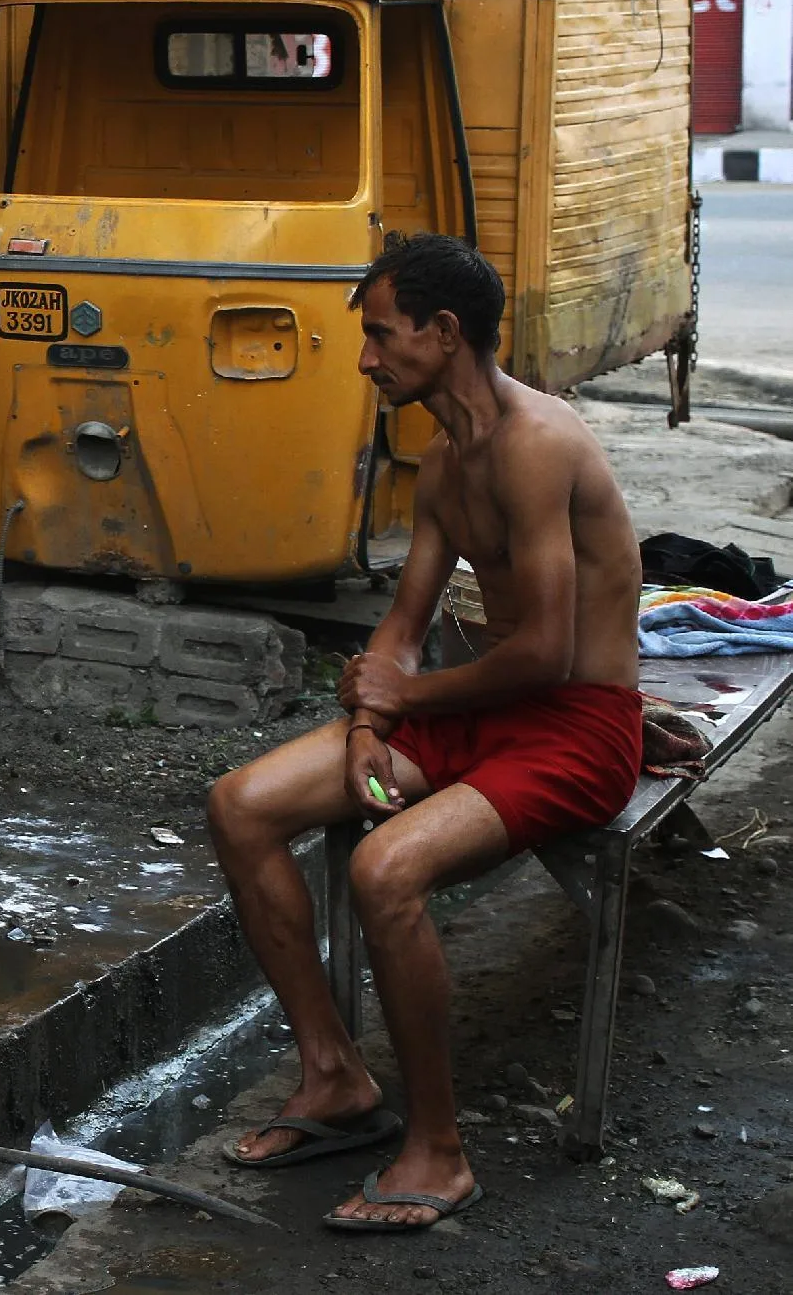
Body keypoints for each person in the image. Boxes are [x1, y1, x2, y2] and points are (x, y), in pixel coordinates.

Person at [205, 234, 644, 1232]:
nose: (365, 359)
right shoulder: (443, 462)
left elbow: (543, 653)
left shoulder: (541, 444)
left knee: (383, 872)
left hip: (578, 731)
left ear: (444, 334)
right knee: (241, 806)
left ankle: (439, 1151)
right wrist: (366, 719)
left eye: (379, 335)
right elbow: (403, 624)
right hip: (478, 713)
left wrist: (403, 702)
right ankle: (334, 1078)